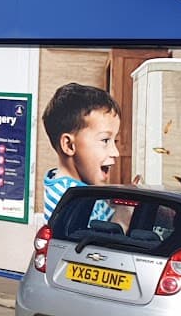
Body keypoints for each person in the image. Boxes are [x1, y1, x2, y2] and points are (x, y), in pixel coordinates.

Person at [40, 83, 121, 220]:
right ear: (69, 145)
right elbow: (98, 238)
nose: (116, 152)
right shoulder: (71, 199)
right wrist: (123, 217)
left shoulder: (72, 186)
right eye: (105, 140)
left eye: (115, 141)